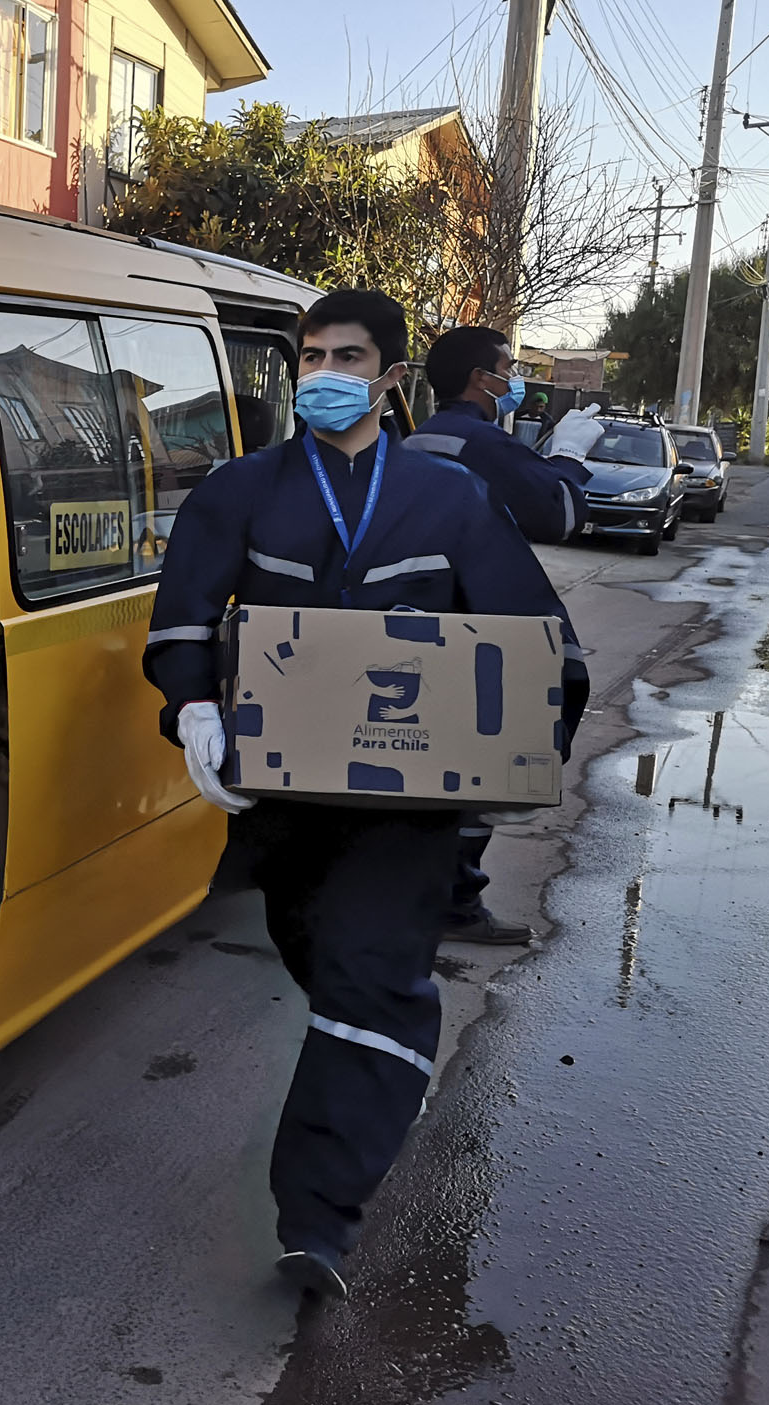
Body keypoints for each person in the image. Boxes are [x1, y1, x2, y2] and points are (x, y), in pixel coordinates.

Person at [143, 290, 574, 1301]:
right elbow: (185, 617)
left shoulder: (449, 506)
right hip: (285, 809)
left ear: (387, 376)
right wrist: (193, 711)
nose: (323, 376)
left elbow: (537, 639)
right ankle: (378, 1065)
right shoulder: (241, 493)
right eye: (310, 357)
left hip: (402, 811)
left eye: (346, 358)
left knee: (371, 975)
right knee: (321, 952)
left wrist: (522, 755)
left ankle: (319, 1218)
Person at [409, 327, 602, 946]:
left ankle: (418, 891)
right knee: (480, 767)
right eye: (506, 369)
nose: (513, 380)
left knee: (431, 763)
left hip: (420, 622)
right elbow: (561, 513)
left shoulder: (417, 436)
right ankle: (454, 903)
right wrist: (569, 455)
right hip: (480, 629)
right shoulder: (480, 442)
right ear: (479, 379)